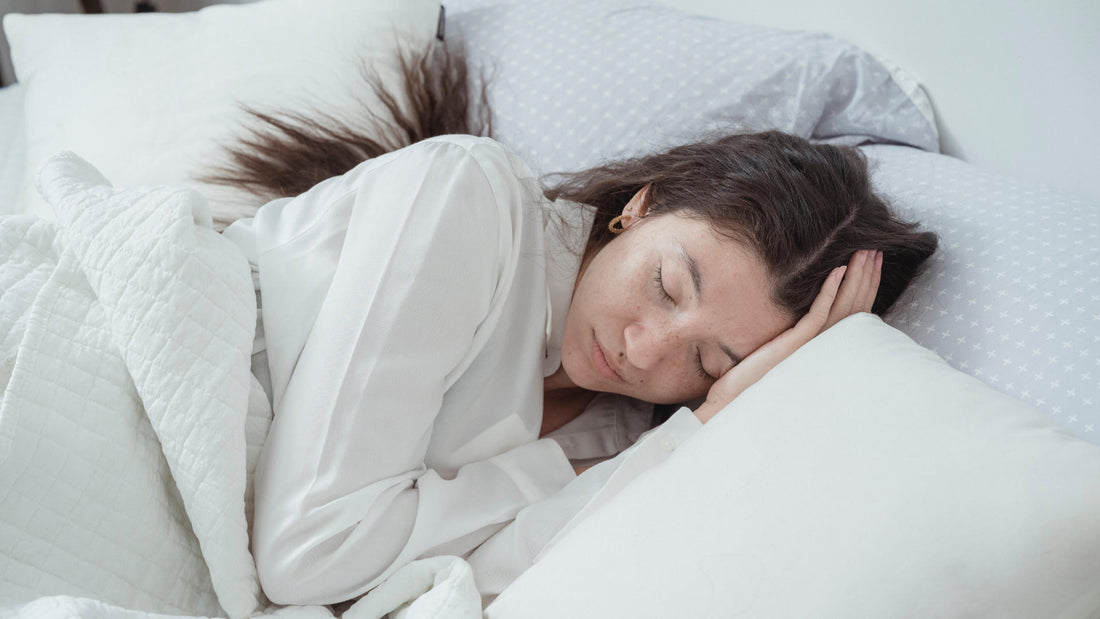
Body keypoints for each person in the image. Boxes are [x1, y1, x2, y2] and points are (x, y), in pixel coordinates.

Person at [215, 47, 937, 607]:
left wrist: (707, 421)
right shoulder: (470, 200)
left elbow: (450, 595)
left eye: (711, 362)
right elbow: (306, 555)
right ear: (644, 205)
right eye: (666, 285)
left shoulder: (624, 442)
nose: (645, 348)